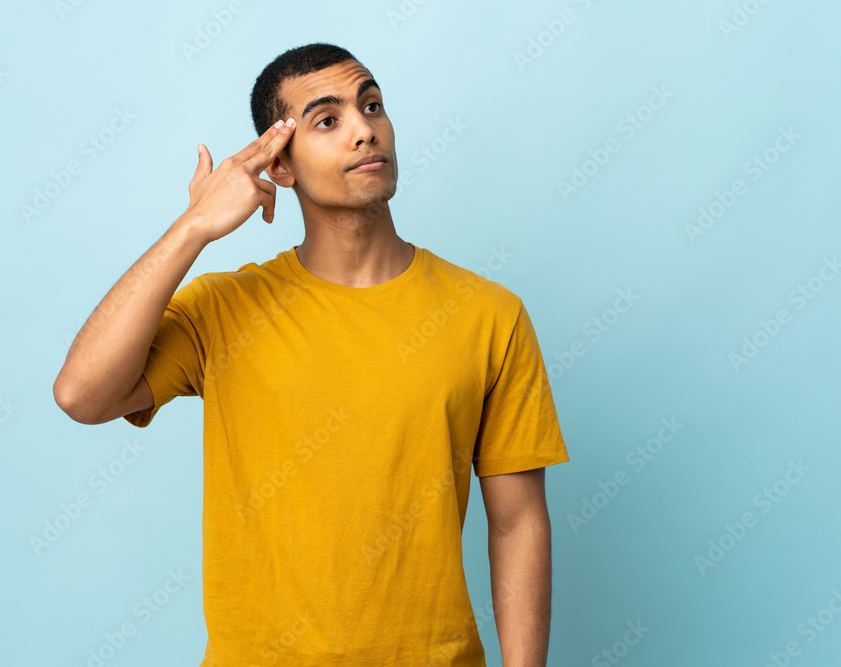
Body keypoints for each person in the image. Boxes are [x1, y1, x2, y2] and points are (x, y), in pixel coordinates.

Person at [54, 42, 570, 667]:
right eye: (328, 119)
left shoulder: (489, 315)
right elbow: (82, 395)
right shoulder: (223, 310)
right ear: (280, 164)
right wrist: (193, 228)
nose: (364, 130)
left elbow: (518, 524)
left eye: (372, 106)